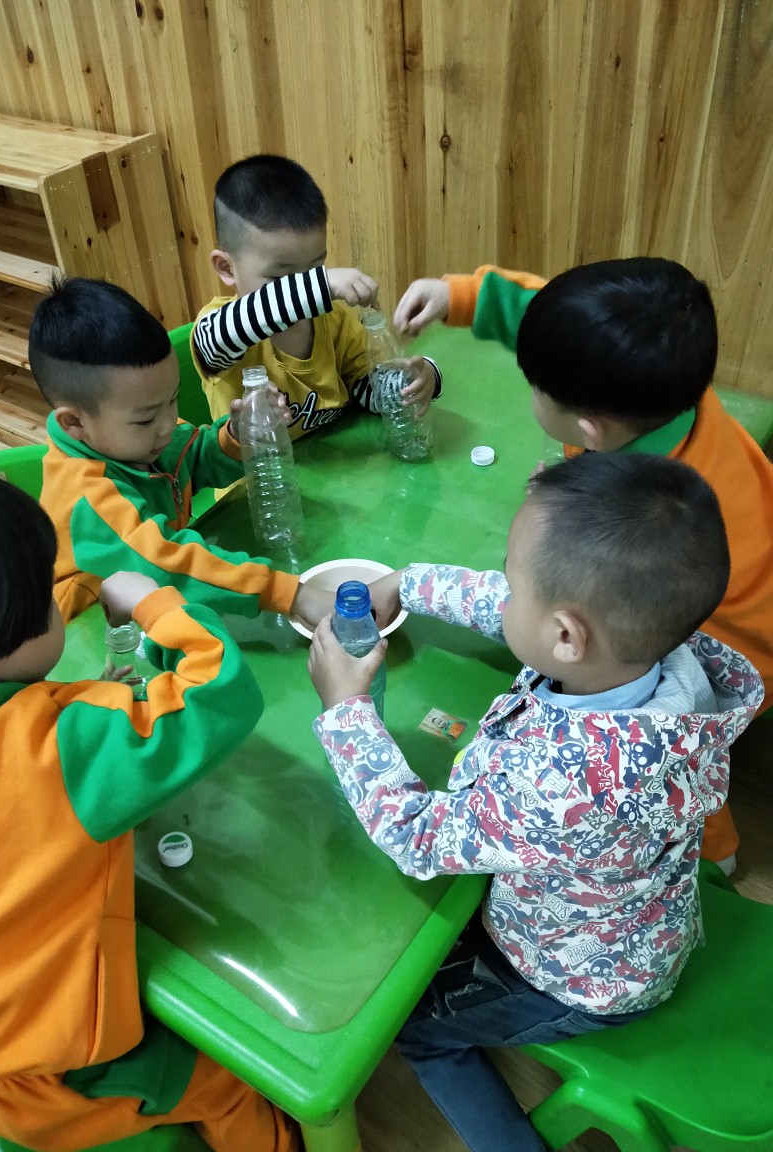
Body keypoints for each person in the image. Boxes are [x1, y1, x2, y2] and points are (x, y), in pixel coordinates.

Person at [307, 452, 763, 1152]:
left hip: (576, 978)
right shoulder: (650, 657)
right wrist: (408, 584)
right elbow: (526, 614)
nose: (503, 596)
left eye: (513, 585)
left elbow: (418, 836)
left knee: (412, 1028)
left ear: (565, 636)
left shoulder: (570, 783)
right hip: (632, 920)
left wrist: (345, 709)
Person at [0, 465, 298, 1152]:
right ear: (10, 634)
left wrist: (84, 694)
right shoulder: (64, 747)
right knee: (232, 1083)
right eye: (48, 600)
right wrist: (155, 605)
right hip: (44, 1071)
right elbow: (220, 691)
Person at [393, 256, 773, 869]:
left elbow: (423, 838)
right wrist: (461, 295)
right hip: (717, 579)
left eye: (535, 386)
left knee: (680, 745)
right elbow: (567, 321)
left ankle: (715, 854)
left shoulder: (648, 530)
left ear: (590, 431)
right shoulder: (657, 386)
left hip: (738, 638)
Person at [31, 275, 326, 628]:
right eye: (145, 418)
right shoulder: (88, 499)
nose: (168, 424)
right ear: (74, 423)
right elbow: (166, 563)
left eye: (172, 400)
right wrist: (292, 594)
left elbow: (194, 457)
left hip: (151, 606)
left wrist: (236, 437)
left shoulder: (136, 439)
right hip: (92, 634)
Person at [192, 154, 442, 438]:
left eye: (315, 268)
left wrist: (417, 382)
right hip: (256, 466)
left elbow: (367, 389)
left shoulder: (334, 320)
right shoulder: (219, 329)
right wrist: (318, 284)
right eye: (282, 277)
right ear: (227, 268)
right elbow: (222, 336)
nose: (305, 287)